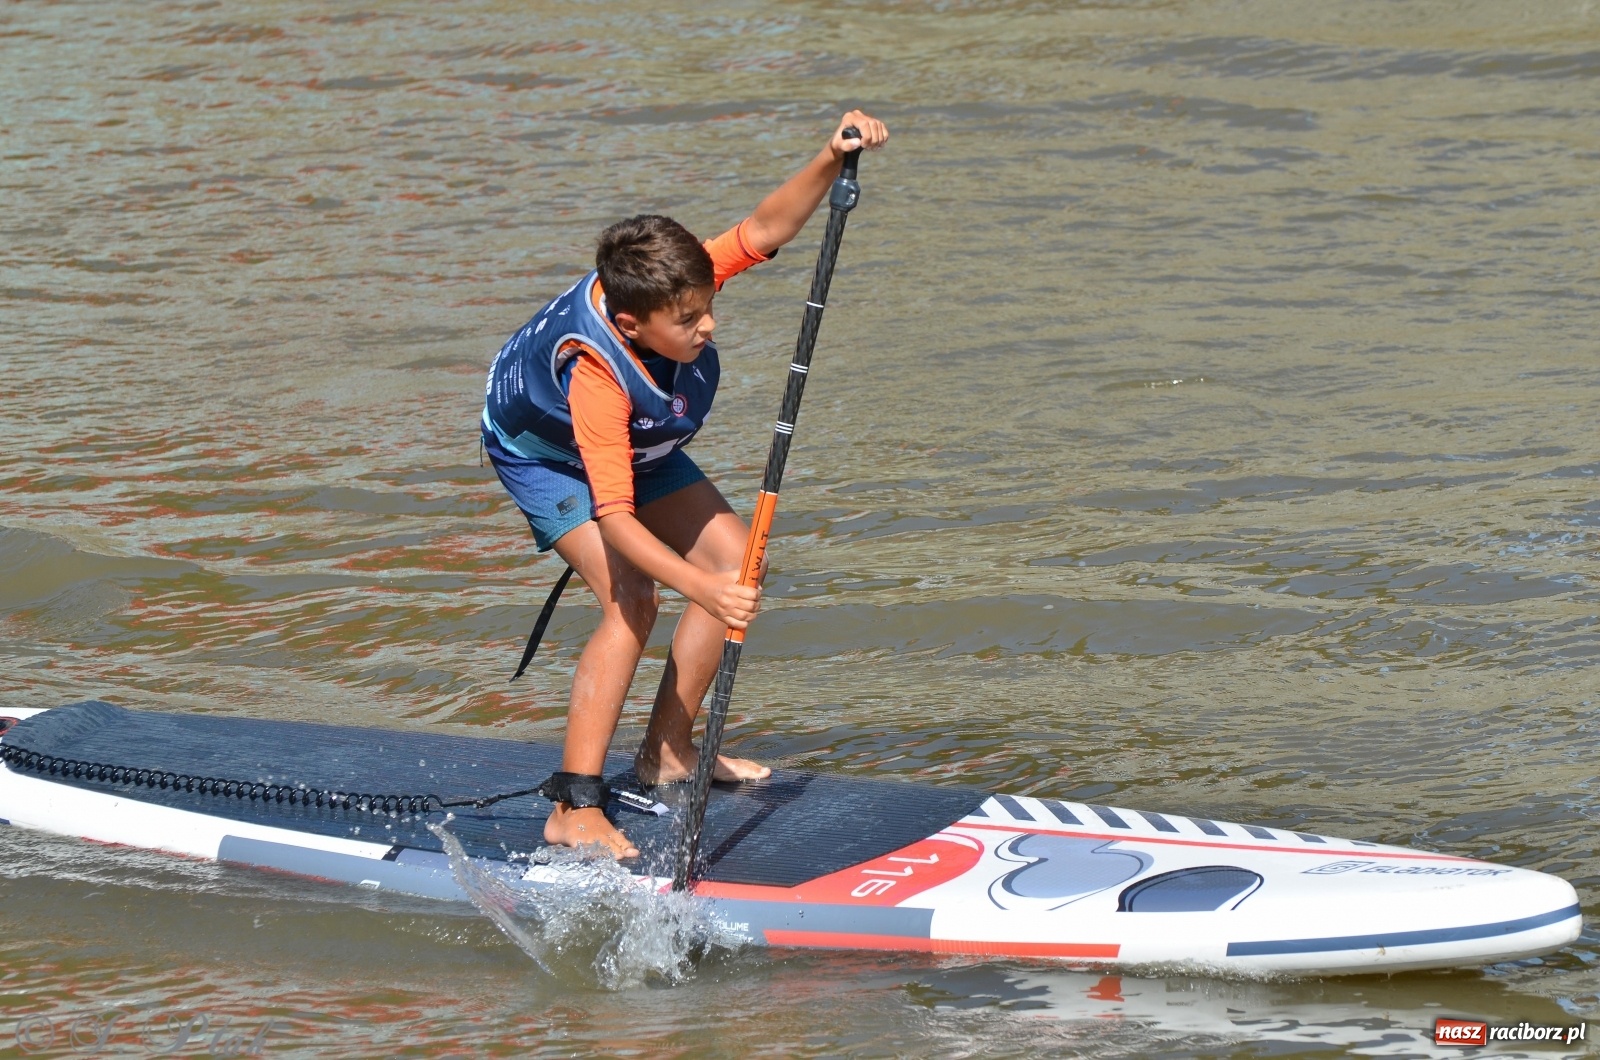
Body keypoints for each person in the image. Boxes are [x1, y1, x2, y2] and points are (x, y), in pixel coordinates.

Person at [481, 111, 890, 858]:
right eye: (690, 319)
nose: (708, 326)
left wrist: (830, 157)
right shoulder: (598, 376)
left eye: (708, 307)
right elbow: (615, 519)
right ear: (631, 324)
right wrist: (698, 590)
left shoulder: (667, 283)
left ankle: (667, 751)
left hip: (637, 442)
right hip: (549, 456)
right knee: (633, 598)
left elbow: (763, 228)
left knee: (738, 561)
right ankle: (572, 804)